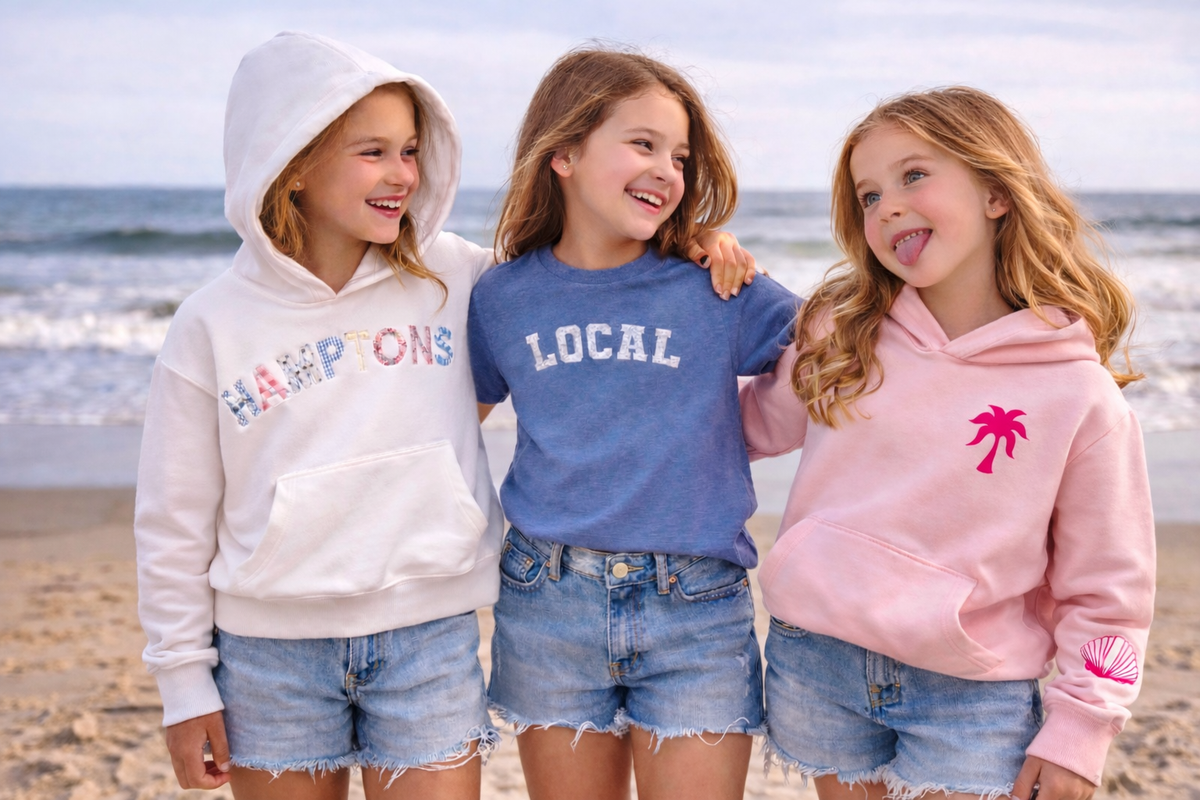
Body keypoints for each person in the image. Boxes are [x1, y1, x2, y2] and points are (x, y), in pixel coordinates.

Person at [135, 32, 754, 800]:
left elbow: (587, 282)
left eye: (411, 150)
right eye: (374, 152)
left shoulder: (460, 279)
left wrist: (686, 245)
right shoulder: (210, 324)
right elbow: (173, 521)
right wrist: (184, 683)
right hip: (268, 654)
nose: (404, 174)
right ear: (289, 164)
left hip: (428, 639)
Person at [739, 86, 1155, 800]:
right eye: (867, 196)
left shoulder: (1077, 394)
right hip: (817, 662)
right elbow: (741, 428)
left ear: (996, 193)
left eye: (913, 175)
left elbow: (1108, 591)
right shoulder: (840, 332)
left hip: (972, 694)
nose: (887, 205)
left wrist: (1081, 729)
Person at [468, 48, 799, 800]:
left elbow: (836, 350)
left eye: (679, 156)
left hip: (696, 606)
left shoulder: (717, 286)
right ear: (565, 153)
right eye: (642, 144)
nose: (667, 171)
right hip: (547, 597)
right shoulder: (503, 297)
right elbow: (452, 423)